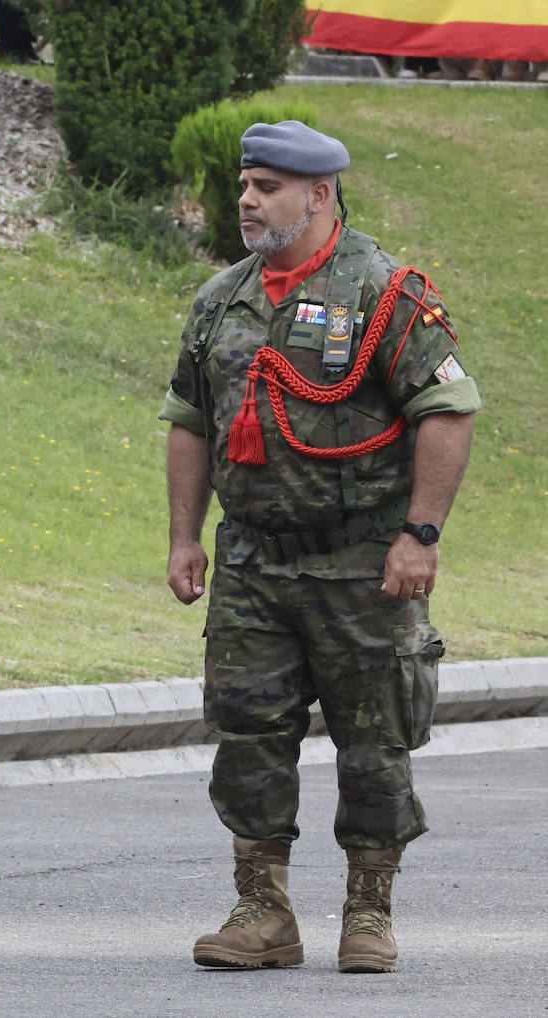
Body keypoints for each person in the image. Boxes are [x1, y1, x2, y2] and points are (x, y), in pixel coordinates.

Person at [160, 121, 480, 974]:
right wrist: (185, 537)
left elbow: (448, 411)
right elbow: (191, 421)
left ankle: (368, 911)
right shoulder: (221, 300)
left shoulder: (386, 292)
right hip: (253, 562)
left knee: (375, 740)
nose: (248, 201)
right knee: (247, 731)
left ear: (320, 194)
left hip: (363, 562)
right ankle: (263, 910)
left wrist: (420, 534)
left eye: (267, 186)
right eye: (245, 186)